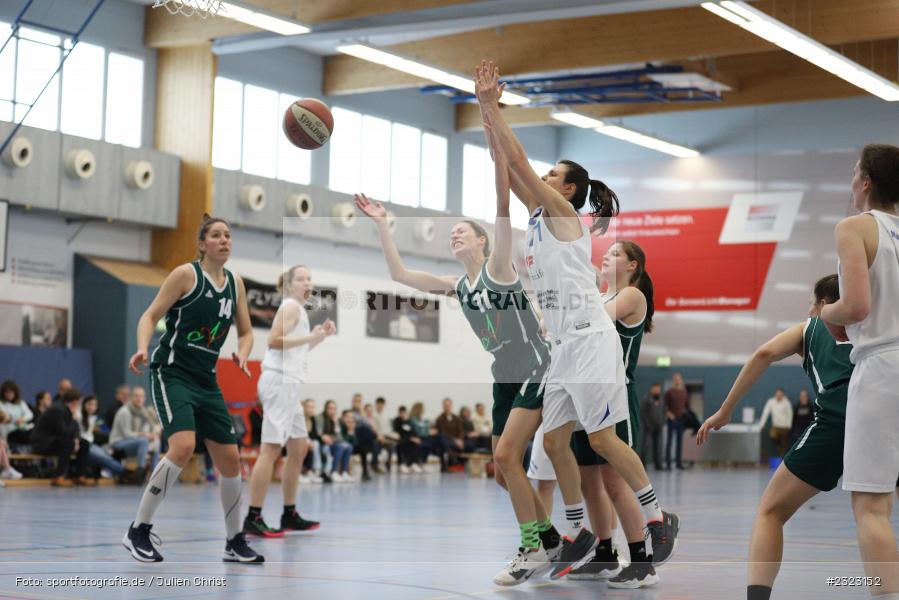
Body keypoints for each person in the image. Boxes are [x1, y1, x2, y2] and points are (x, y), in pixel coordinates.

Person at [475, 60, 678, 579]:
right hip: (563, 347)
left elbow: (518, 160)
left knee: (605, 442)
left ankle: (657, 518)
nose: (542, 178)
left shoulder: (565, 216)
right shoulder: (538, 217)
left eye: (553, 175)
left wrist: (495, 108)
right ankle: (577, 532)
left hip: (590, 341)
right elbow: (507, 166)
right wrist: (485, 112)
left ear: (567, 191)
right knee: (553, 441)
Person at [356, 85, 562, 585]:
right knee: (502, 471)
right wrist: (383, 225)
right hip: (503, 373)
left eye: (462, 231)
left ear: (482, 241)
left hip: (535, 365)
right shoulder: (458, 286)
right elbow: (401, 275)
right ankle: (551, 538)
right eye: (452, 233)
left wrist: (495, 144)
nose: (454, 235)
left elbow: (503, 203)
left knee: (506, 457)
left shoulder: (498, 267)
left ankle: (532, 548)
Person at [698, 274, 853, 600]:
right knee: (874, 513)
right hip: (884, 414)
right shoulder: (877, 321)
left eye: (811, 303)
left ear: (824, 304)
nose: (809, 310)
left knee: (770, 512)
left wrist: (725, 410)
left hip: (838, 418)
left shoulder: (810, 328)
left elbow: (763, 353)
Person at [123, 214, 263, 564]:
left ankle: (234, 541)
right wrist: (141, 347)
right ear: (202, 244)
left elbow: (247, 332)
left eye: (228, 235)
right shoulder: (186, 275)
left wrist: (243, 353)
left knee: (231, 460)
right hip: (172, 372)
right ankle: (138, 530)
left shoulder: (236, 284)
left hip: (206, 379)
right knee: (183, 446)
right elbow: (149, 316)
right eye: (216, 235)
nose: (224, 240)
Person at [527, 240, 662, 587]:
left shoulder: (631, 295)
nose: (606, 256)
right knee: (590, 483)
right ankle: (605, 553)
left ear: (633, 266)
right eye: (606, 252)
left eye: (616, 254)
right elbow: (554, 326)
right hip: (582, 392)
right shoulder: (597, 297)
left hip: (615, 393)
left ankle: (642, 561)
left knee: (614, 484)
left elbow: (592, 320)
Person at [820, 144, 899, 597]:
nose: (851, 179)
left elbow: (857, 306)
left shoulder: (855, 227)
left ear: (867, 181)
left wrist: (825, 312)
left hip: (884, 366)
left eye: (855, 171)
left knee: (872, 505)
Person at [243, 264, 334, 538]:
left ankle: (289, 513)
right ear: (289, 284)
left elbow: (297, 349)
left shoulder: (299, 310)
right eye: (301, 279)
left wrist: (319, 337)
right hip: (279, 382)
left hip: (290, 384)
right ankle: (253, 517)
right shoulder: (291, 306)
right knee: (270, 450)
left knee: (299, 448)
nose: (307, 283)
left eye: (310, 278)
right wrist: (310, 336)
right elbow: (274, 341)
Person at [30, 388, 93, 487]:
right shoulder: (57, 410)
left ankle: (80, 476)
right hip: (42, 444)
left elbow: (75, 430)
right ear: (75, 401)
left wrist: (76, 439)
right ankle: (58, 477)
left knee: (84, 444)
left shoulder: (66, 409)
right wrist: (73, 418)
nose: (79, 404)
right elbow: (64, 431)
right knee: (68, 444)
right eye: (79, 402)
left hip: (55, 441)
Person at [110, 387, 161, 481]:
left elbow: (153, 426)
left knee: (156, 441)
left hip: (134, 442)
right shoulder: (124, 411)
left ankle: (154, 475)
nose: (139, 399)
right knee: (143, 441)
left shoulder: (143, 411)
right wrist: (144, 434)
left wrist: (152, 434)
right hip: (118, 442)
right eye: (136, 396)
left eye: (142, 396)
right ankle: (140, 471)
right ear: (131, 398)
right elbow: (127, 434)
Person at [78, 394, 124, 479]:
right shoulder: (79, 416)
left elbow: (103, 431)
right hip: (83, 445)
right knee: (104, 457)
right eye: (89, 404)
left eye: (94, 405)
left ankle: (121, 472)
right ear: (84, 404)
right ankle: (124, 472)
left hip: (93, 444)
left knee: (109, 452)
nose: (92, 407)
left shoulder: (95, 418)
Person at [315, 400, 352, 483]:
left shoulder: (337, 420)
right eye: (330, 408)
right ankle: (333, 472)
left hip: (332, 443)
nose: (332, 411)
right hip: (322, 443)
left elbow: (339, 437)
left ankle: (344, 472)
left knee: (348, 446)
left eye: (334, 409)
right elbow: (319, 434)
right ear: (325, 408)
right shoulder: (319, 418)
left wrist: (335, 423)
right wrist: (325, 437)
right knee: (340, 447)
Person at [758, 388, 793, 459]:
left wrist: (789, 426)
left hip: (785, 427)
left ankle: (782, 459)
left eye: (780, 394)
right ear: (775, 394)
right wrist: (761, 425)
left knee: (784, 445)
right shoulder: (770, 402)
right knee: (773, 435)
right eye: (777, 394)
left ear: (783, 395)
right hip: (776, 427)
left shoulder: (787, 402)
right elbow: (765, 413)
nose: (779, 396)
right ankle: (779, 446)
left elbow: (790, 414)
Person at [663, 373, 688, 470]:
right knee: (669, 442)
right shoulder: (669, 392)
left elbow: (686, 405)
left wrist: (685, 414)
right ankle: (668, 464)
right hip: (672, 420)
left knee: (679, 442)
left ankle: (679, 463)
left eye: (679, 379)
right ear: (673, 380)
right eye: (675, 379)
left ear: (681, 380)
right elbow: (664, 406)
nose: (677, 380)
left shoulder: (684, 391)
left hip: (681, 420)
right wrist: (669, 414)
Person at [1, 379, 34, 448]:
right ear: (3, 393)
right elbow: (4, 417)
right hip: (9, 431)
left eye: (11, 392)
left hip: (22, 428)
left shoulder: (20, 402)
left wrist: (22, 419)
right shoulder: (1, 403)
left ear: (15, 393)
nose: (9, 395)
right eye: (7, 392)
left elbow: (30, 414)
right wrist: (13, 419)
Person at [640, 384, 665, 470]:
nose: (657, 391)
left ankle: (658, 465)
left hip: (659, 427)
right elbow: (643, 412)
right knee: (646, 446)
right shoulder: (646, 398)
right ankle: (643, 465)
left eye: (658, 389)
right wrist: (648, 424)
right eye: (655, 389)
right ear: (652, 389)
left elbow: (664, 411)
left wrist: (662, 421)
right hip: (649, 427)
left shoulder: (661, 399)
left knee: (658, 447)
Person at [371, 398, 397, 472]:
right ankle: (374, 464)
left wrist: (393, 435)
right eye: (378, 404)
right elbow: (374, 429)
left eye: (382, 405)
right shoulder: (373, 415)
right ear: (376, 405)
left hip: (387, 436)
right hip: (378, 437)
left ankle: (388, 463)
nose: (380, 406)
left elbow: (389, 428)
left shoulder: (387, 416)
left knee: (392, 445)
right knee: (376, 444)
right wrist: (380, 436)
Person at [392, 405, 419, 474]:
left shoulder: (409, 421)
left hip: (410, 440)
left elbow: (413, 431)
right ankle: (401, 464)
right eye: (401, 413)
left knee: (415, 443)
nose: (403, 414)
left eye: (404, 413)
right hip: (402, 439)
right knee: (401, 444)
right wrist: (410, 438)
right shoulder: (397, 421)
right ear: (399, 413)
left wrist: (416, 437)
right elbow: (397, 432)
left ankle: (413, 463)